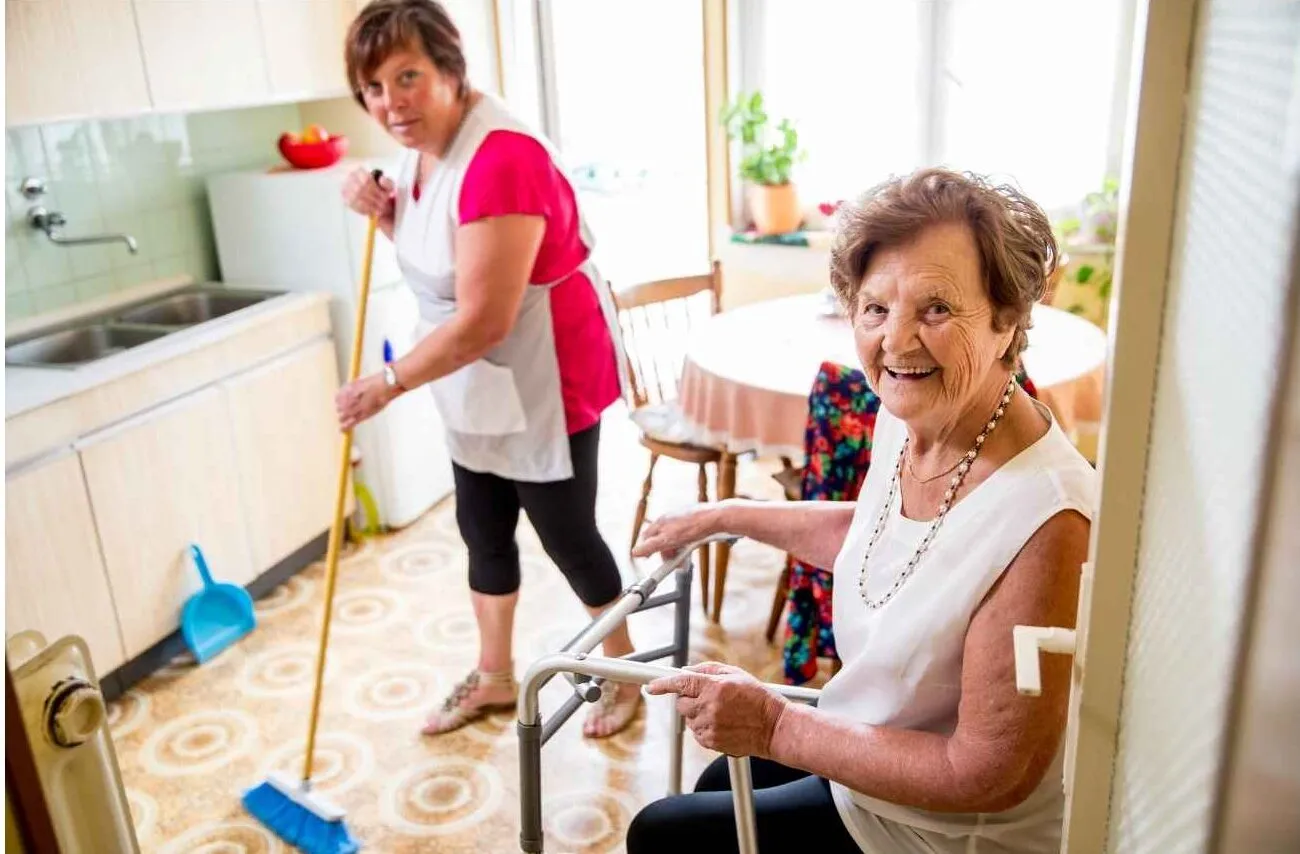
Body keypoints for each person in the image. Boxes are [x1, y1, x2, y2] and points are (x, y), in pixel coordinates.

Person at [626, 168, 1095, 853]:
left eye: (936, 309)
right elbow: (883, 534)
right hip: (879, 734)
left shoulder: (1048, 518)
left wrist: (779, 727)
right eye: (875, 309)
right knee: (711, 791)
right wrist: (727, 514)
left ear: (1007, 319)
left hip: (934, 826)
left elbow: (988, 774)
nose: (896, 344)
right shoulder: (908, 415)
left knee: (662, 834)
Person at [336, 0, 641, 739]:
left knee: (567, 536)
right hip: (475, 378)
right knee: (483, 527)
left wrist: (386, 382)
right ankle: (495, 677)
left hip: (545, 374)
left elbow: (484, 318)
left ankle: (627, 676)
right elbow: (439, 254)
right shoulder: (423, 150)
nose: (391, 102)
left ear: (451, 70)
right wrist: (377, 208)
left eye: (407, 77)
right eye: (373, 88)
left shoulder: (502, 158)